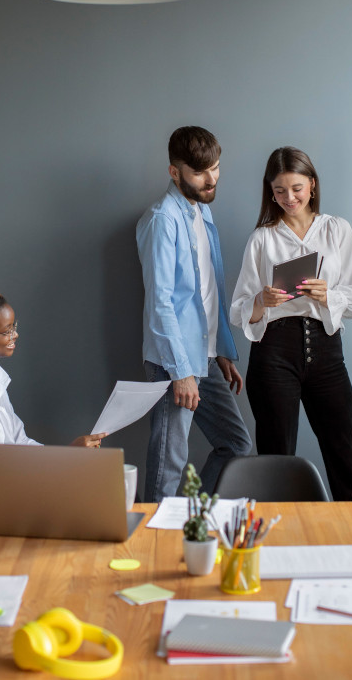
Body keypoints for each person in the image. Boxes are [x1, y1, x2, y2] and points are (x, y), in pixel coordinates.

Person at [230, 146, 352, 501]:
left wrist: (330, 296)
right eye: (279, 190)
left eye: (296, 188)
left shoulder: (337, 230)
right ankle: (277, 546)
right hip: (274, 352)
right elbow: (237, 311)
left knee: (348, 451)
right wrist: (260, 302)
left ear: (312, 185)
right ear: (270, 191)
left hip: (326, 351)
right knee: (276, 458)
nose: (288, 197)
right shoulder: (262, 238)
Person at [136, 126, 252, 502]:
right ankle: (154, 540)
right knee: (169, 464)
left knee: (236, 443)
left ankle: (191, 518)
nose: (211, 179)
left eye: (215, 168)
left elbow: (207, 292)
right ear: (174, 172)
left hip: (204, 357)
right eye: (200, 172)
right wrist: (180, 371)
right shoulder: (162, 219)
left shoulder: (202, 212)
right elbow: (161, 303)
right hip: (176, 362)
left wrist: (220, 350)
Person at [0, 286, 106, 501]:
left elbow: (18, 441)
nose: (15, 335)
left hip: (1, 481)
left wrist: (68, 454)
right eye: (7, 331)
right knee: (93, 489)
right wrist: (65, 458)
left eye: (14, 327)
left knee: (106, 482)